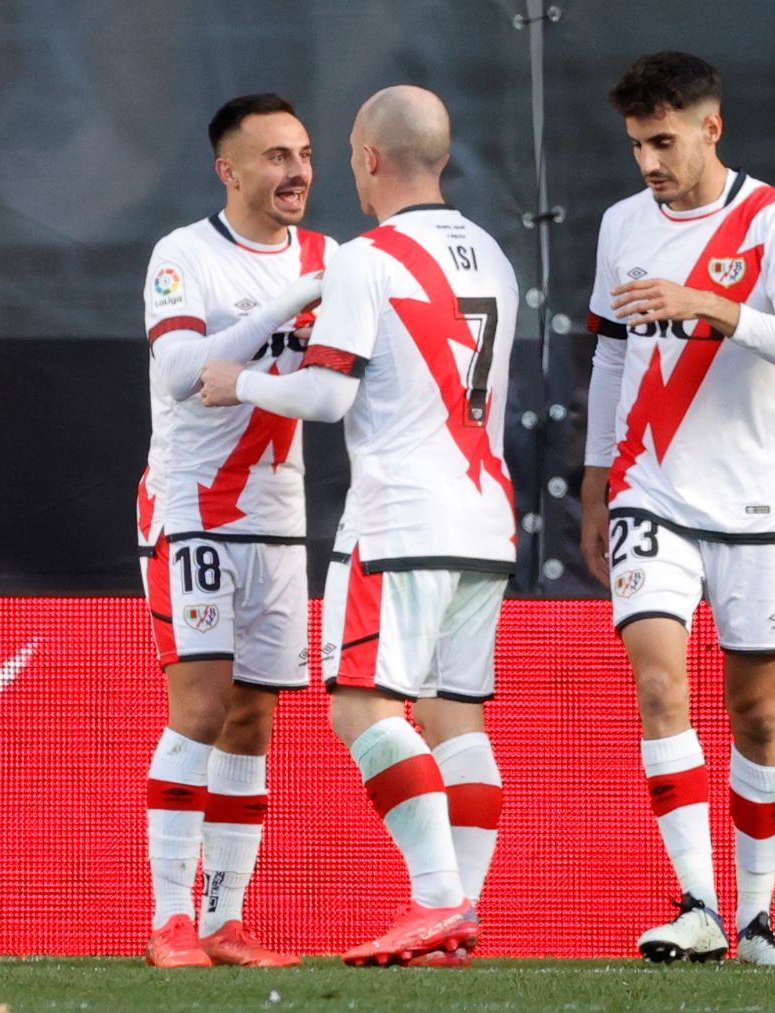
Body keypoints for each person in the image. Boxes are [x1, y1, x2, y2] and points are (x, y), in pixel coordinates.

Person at [201, 84, 516, 967]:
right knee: (459, 719)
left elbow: (332, 393)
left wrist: (242, 383)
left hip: (402, 513)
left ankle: (439, 899)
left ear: (368, 158)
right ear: (441, 156)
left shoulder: (366, 258)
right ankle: (462, 917)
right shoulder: (493, 253)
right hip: (486, 510)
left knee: (361, 705)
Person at [578, 51, 775, 967]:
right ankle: (697, 904)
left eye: (663, 140)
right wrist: (596, 480)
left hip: (755, 502)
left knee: (756, 716)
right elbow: (611, 356)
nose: (649, 161)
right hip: (651, 491)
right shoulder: (621, 224)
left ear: (709, 128)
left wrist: (713, 307)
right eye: (636, 144)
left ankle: (759, 918)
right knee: (657, 682)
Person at [136, 92, 330, 968]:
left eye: (303, 154)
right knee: (204, 706)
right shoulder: (185, 255)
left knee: (254, 719)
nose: (295, 173)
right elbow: (182, 370)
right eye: (275, 158)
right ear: (231, 170)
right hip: (192, 510)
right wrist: (291, 306)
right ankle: (170, 919)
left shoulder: (331, 257)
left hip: (280, 519)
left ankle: (224, 921)